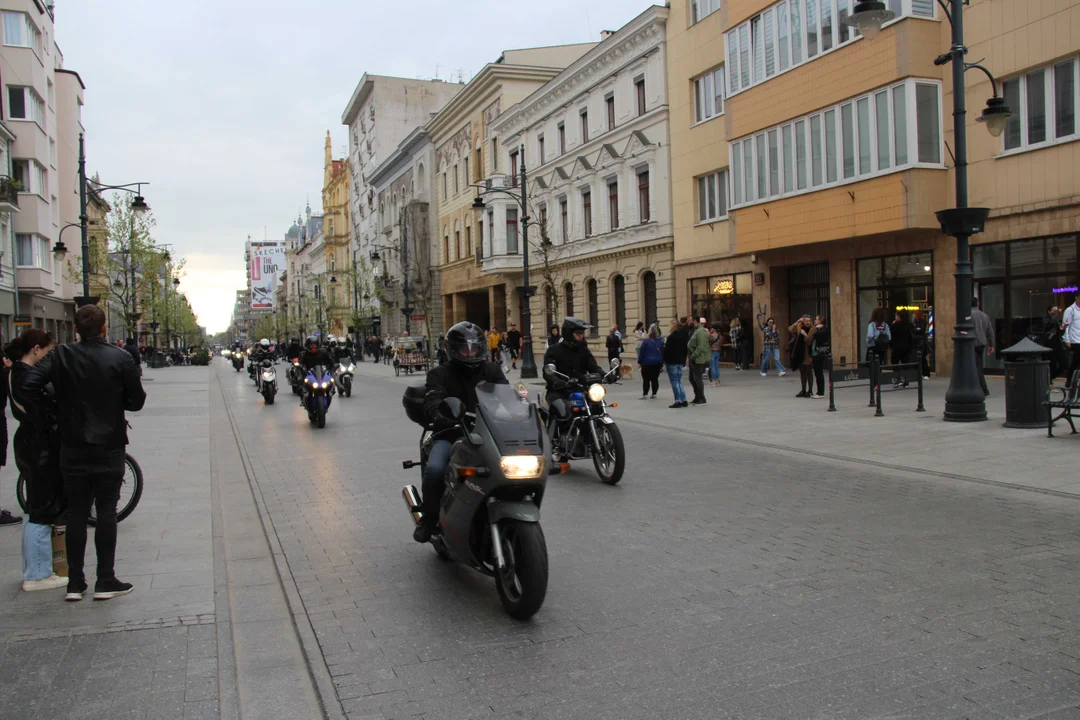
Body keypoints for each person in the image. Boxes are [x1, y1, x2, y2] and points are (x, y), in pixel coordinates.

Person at [22, 304, 145, 601]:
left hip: (72, 444)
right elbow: (137, 400)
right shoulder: (121, 357)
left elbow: (29, 384)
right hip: (109, 445)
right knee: (105, 511)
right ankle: (106, 580)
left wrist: (54, 410)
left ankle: (75, 582)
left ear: (76, 329)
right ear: (104, 328)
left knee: (76, 510)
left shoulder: (60, 355)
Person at [413, 322, 507, 543]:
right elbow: (432, 401)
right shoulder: (439, 374)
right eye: (465, 348)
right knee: (435, 470)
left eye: (475, 348)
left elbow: (505, 395)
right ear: (453, 350)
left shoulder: (492, 370)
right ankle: (429, 519)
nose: (471, 352)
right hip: (451, 433)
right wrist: (440, 415)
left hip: (489, 434)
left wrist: (516, 412)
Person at [7, 329, 66, 591]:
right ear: (36, 350)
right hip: (37, 444)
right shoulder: (25, 376)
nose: (49, 356)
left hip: (28, 442)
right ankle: (38, 574)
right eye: (48, 351)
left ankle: (34, 569)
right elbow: (41, 410)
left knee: (35, 508)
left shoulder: (15, 371)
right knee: (41, 509)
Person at [543, 317, 603, 409]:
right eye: (578, 333)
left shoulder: (583, 350)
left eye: (582, 333)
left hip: (580, 389)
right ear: (569, 333)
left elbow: (593, 367)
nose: (581, 336)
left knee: (598, 407)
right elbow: (547, 371)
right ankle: (552, 423)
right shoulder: (553, 350)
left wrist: (606, 375)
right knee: (561, 411)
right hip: (558, 391)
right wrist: (556, 381)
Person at [971, 297, 995, 396]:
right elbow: (990, 331)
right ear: (978, 303)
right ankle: (980, 388)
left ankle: (983, 389)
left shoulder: (968, 316)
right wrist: (991, 345)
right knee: (978, 365)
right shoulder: (984, 315)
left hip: (972, 343)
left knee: (976, 367)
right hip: (982, 343)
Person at [664, 318, 690, 409]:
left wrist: (665, 360)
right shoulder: (683, 337)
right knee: (679, 381)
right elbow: (685, 350)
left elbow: (667, 350)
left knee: (674, 381)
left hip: (672, 361)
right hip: (680, 361)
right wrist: (683, 361)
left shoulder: (671, 337)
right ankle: (684, 399)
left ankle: (678, 400)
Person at [788, 315, 816, 398]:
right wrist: (797, 322)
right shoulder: (799, 326)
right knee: (802, 372)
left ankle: (810, 390)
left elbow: (810, 342)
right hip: (799, 353)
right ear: (803, 321)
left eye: (809, 321)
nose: (808, 322)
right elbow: (790, 329)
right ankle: (803, 390)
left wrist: (804, 335)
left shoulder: (812, 329)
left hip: (808, 353)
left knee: (809, 372)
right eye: (806, 321)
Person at [637, 324, 664, 399]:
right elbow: (662, 352)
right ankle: (654, 393)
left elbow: (642, 353)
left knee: (646, 379)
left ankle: (645, 394)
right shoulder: (660, 342)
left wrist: (639, 362)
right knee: (655, 379)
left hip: (647, 363)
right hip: (657, 363)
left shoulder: (646, 342)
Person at [687, 317, 710, 405]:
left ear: (694, 321)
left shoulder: (700, 331)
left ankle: (701, 397)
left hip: (697, 358)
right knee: (692, 378)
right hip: (693, 358)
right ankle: (697, 396)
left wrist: (693, 356)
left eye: (690, 321)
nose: (689, 322)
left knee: (697, 378)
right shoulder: (695, 330)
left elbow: (701, 346)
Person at [890, 310, 914, 388]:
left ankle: (897, 380)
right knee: (906, 364)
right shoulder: (909, 325)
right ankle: (906, 381)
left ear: (899, 316)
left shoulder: (895, 325)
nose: (895, 317)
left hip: (897, 347)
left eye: (896, 316)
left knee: (895, 363)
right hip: (907, 347)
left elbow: (890, 336)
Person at [1062, 291, 1080, 387]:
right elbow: (1066, 326)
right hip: (1075, 340)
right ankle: (1069, 381)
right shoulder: (1070, 310)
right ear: (1076, 298)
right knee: (1075, 362)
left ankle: (1070, 381)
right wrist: (1067, 340)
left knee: (1076, 362)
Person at [811, 315, 830, 399]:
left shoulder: (824, 330)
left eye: (816, 319)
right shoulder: (817, 329)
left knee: (819, 372)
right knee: (817, 372)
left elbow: (820, 337)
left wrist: (817, 329)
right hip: (815, 352)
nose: (815, 321)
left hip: (819, 352)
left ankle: (820, 392)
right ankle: (819, 391)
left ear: (820, 320)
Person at [1044, 305, 1064, 381]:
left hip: (1058, 344)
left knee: (1064, 364)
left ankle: (1051, 377)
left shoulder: (1056, 319)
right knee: (1052, 364)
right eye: (1054, 310)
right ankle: (1050, 381)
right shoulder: (1047, 319)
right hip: (1050, 345)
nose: (1055, 312)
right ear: (1049, 311)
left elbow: (1061, 330)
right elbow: (1049, 324)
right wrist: (1056, 314)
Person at [912, 310, 930, 379]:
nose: (913, 315)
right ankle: (918, 373)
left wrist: (916, 329)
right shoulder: (914, 322)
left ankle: (926, 374)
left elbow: (921, 330)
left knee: (922, 358)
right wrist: (916, 329)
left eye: (914, 314)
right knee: (916, 358)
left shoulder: (922, 321)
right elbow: (913, 329)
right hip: (916, 342)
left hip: (921, 342)